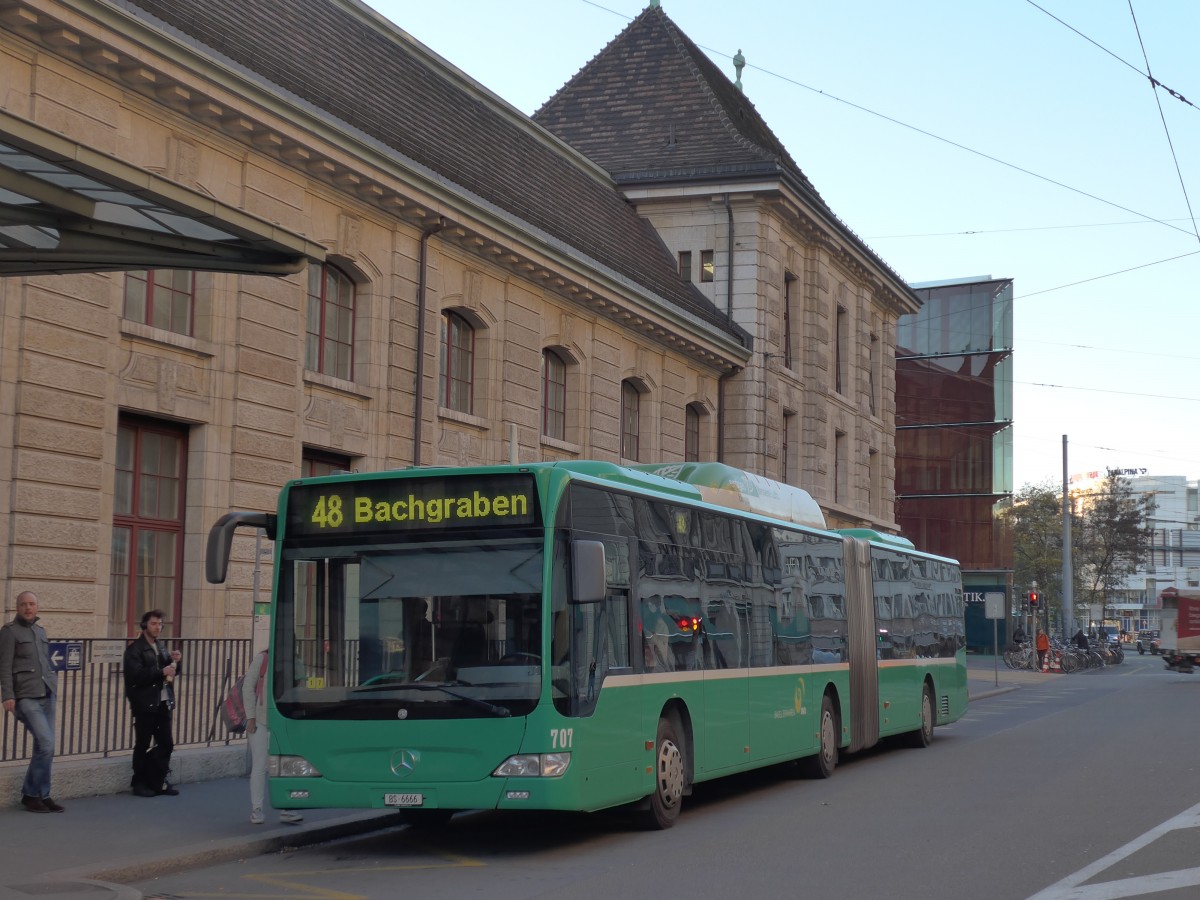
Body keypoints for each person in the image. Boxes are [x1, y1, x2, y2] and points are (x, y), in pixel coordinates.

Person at [0, 591, 64, 813]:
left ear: (37, 607)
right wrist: (7, 695)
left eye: (32, 604)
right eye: (23, 604)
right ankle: (30, 795)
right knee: (46, 743)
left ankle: (40, 795)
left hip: (47, 693)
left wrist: (54, 685)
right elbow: (4, 666)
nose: (28, 608)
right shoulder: (9, 632)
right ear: (17, 607)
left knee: (45, 747)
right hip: (25, 696)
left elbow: (45, 662)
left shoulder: (40, 631)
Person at [123, 609, 181, 798]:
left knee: (166, 744)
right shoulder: (135, 650)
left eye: (160, 624)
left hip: (163, 702)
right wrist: (161, 672)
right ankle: (139, 782)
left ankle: (157, 780)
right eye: (154, 623)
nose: (158, 627)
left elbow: (170, 672)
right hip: (144, 703)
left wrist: (175, 663)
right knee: (142, 744)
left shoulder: (161, 647)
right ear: (145, 625)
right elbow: (136, 676)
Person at [242, 648, 303, 825]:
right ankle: (257, 809)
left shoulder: (295, 661)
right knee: (260, 765)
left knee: (287, 764)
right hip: (260, 720)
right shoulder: (262, 659)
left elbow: (301, 684)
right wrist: (251, 717)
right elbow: (248, 687)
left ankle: (287, 807)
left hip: (283, 719)